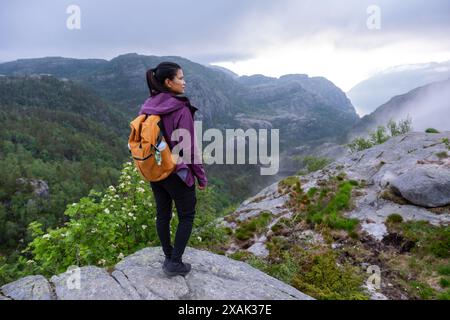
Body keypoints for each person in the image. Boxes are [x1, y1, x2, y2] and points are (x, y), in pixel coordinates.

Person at [138, 61, 208, 277]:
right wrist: (201, 177)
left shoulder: (148, 106)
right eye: (180, 78)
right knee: (186, 215)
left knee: (163, 214)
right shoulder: (180, 109)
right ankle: (175, 263)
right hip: (178, 172)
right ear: (168, 82)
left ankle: (168, 256)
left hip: (155, 169)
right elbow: (189, 149)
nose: (184, 82)